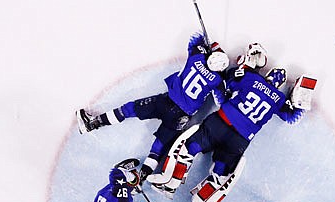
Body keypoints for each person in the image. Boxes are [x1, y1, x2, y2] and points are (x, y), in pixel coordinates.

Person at [146, 43, 312, 202]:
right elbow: (292, 118)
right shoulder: (279, 99)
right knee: (220, 173)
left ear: (268, 75)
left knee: (189, 149)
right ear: (280, 86)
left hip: (220, 123)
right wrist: (300, 99)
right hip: (239, 140)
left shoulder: (253, 80)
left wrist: (246, 65)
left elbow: (229, 81)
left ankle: (171, 183)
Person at [77, 33, 230, 182]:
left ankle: (93, 123)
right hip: (181, 116)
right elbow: (221, 101)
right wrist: (224, 80)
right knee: (159, 146)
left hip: (165, 101)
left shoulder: (196, 58)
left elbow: (194, 39)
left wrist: (211, 47)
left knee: (129, 109)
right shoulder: (217, 81)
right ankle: (141, 179)